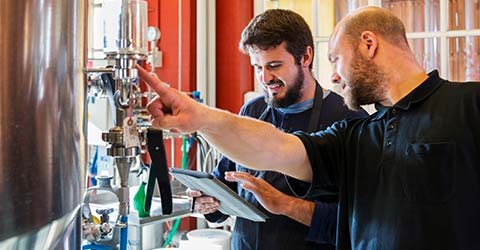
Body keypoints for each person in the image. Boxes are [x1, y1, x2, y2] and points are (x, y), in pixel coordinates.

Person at [138, 6, 480, 250]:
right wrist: (200, 117)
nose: (332, 74)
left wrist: (285, 204)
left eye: (335, 58)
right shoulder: (358, 136)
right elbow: (277, 148)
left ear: (368, 44)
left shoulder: (468, 105)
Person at [186, 9, 367, 250]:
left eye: (274, 65)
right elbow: (226, 183)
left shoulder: (348, 119)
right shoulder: (251, 111)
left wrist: (285, 203)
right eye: (257, 67)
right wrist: (208, 202)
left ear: (305, 57)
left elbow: (358, 224)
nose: (265, 77)